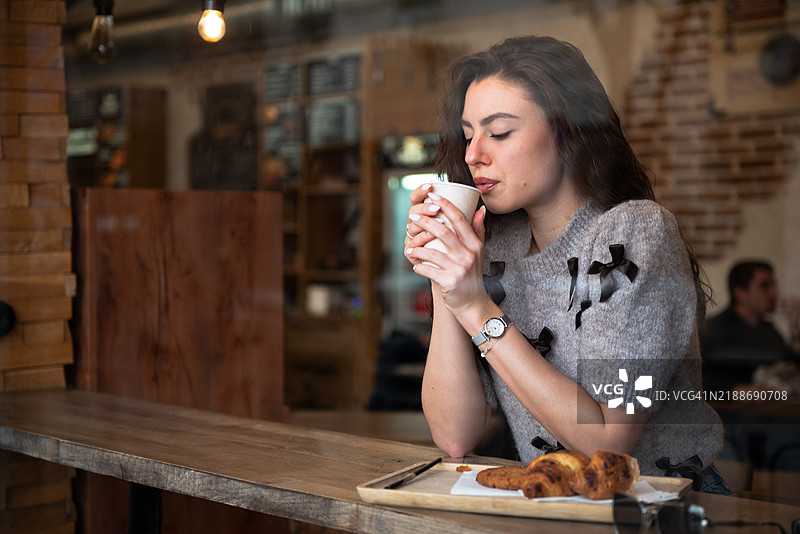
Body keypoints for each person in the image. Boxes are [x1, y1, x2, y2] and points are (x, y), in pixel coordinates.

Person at [402, 35, 730, 494]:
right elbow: (455, 436)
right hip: (555, 505)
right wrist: (447, 275)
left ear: (568, 131)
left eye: (499, 132)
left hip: (658, 507)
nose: (473, 154)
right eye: (469, 134)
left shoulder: (635, 235)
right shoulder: (497, 247)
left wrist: (478, 307)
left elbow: (607, 441)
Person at [702, 260, 800, 392]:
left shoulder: (768, 330)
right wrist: (735, 390)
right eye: (764, 286)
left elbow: (789, 362)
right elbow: (700, 378)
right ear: (740, 292)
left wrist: (795, 329)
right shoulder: (714, 329)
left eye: (774, 285)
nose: (774, 293)